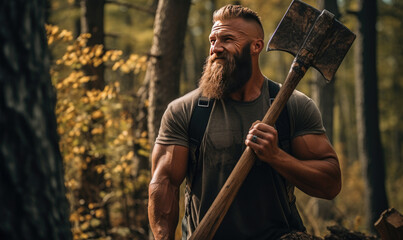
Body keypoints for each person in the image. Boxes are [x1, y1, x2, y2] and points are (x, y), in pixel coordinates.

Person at [148, 4, 341, 240]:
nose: (215, 48)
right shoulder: (185, 110)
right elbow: (163, 183)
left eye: (227, 39)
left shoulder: (294, 106)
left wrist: (276, 156)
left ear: (256, 46)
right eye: (212, 40)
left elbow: (330, 184)